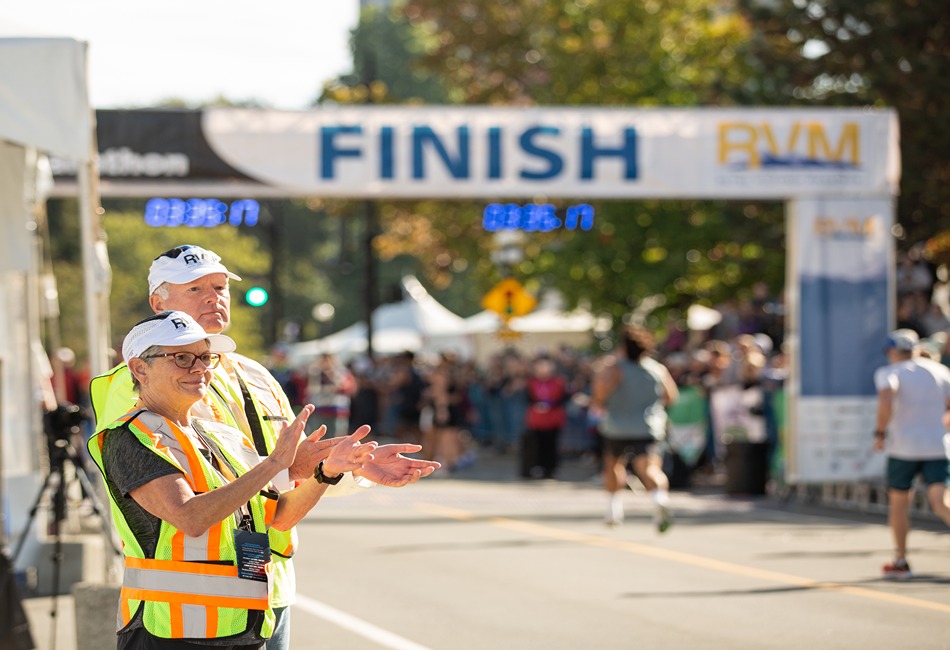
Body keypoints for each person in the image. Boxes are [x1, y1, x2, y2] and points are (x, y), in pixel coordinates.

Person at [90, 245, 440, 650]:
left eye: (220, 287)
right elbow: (176, 499)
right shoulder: (136, 382)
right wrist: (284, 467)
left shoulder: (254, 374)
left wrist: (349, 466)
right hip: (179, 614)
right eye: (194, 289)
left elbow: (285, 478)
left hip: (264, 584)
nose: (212, 297)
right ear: (158, 303)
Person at [87, 311, 376, 648]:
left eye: (206, 357)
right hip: (169, 631)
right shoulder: (130, 435)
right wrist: (273, 465)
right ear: (140, 369)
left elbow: (278, 516)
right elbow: (189, 517)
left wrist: (326, 474)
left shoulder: (221, 434)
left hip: (242, 626)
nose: (200, 368)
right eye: (181, 358)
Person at [873, 328, 950, 579]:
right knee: (941, 501)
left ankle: (901, 559)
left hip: (903, 446)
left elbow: (886, 398)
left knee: (899, 502)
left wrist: (880, 431)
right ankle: (900, 560)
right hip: (937, 445)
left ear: (892, 351)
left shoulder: (890, 372)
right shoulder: (939, 370)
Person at [591, 324, 679, 531]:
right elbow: (671, 396)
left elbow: (599, 394)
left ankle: (613, 510)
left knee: (613, 465)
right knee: (649, 468)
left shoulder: (615, 368)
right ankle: (660, 501)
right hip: (648, 426)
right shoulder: (657, 368)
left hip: (616, 426)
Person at [520, 357, 568, 479]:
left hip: (553, 419)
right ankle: (538, 467)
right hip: (537, 420)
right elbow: (528, 398)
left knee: (551, 445)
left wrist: (550, 405)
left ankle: (551, 469)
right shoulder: (532, 382)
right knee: (537, 445)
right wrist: (537, 405)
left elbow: (563, 398)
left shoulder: (558, 382)